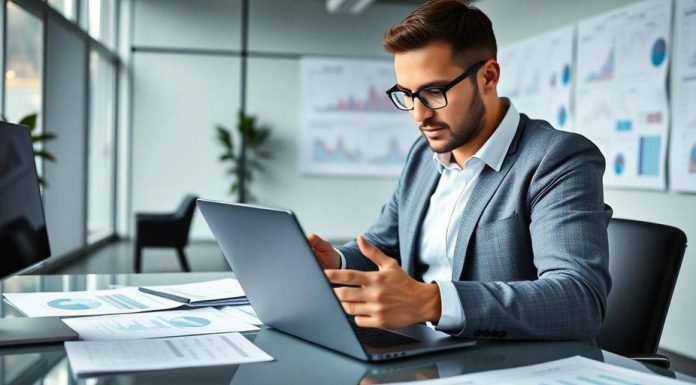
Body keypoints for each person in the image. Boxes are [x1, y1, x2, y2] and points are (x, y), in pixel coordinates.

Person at [308, 0, 612, 340]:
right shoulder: (422, 156)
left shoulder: (556, 158)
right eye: (406, 95)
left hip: (502, 364)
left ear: (488, 76)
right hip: (421, 354)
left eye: (434, 92)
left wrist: (432, 302)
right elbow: (385, 247)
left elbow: (578, 299)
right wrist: (335, 261)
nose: (419, 115)